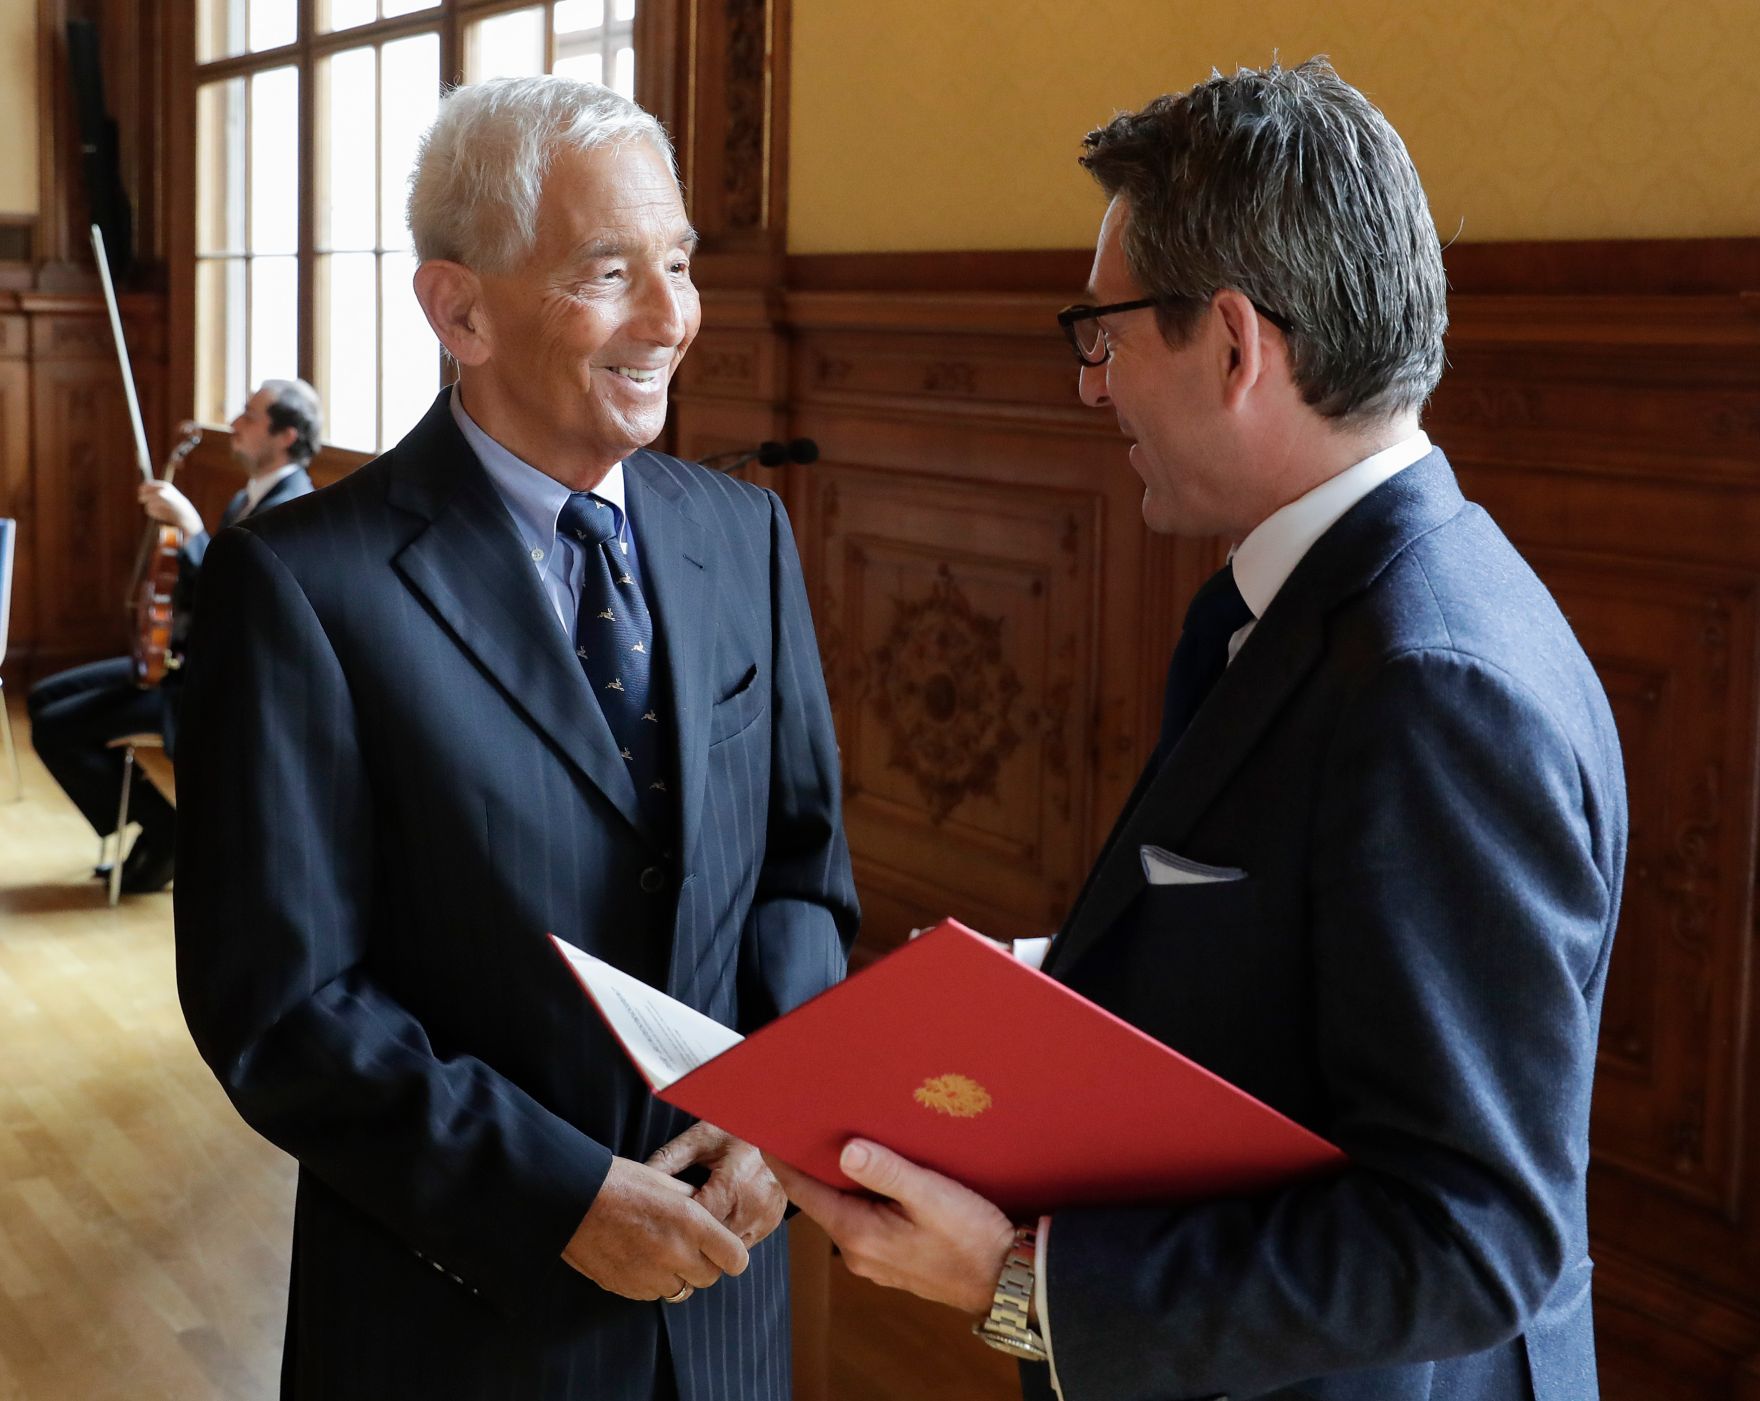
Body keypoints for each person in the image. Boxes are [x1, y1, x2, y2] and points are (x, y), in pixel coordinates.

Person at [774, 58, 1625, 1401]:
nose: (1090, 386)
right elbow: (1311, 959)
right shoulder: (1295, 592)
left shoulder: (1434, 682)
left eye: (1102, 336)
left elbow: (1473, 1237)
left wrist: (1019, 1287)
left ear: (1234, 344)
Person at [173, 75, 857, 1401]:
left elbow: (801, 867)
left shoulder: (744, 535)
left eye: (678, 263)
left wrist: (785, 1105)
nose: (672, 319)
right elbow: (282, 1007)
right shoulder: (302, 588)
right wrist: (554, 1195)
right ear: (458, 308)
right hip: (456, 1318)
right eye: (610, 272)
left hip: (727, 1304)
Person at [26, 379, 319, 893]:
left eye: (250, 416)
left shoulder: (295, 507)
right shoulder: (248, 497)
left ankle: (164, 832)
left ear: (285, 435)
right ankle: (155, 829)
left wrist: (190, 529)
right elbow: (198, 590)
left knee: (56, 729)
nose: (236, 423)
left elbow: (241, 601)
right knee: (44, 698)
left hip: (221, 688)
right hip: (182, 661)